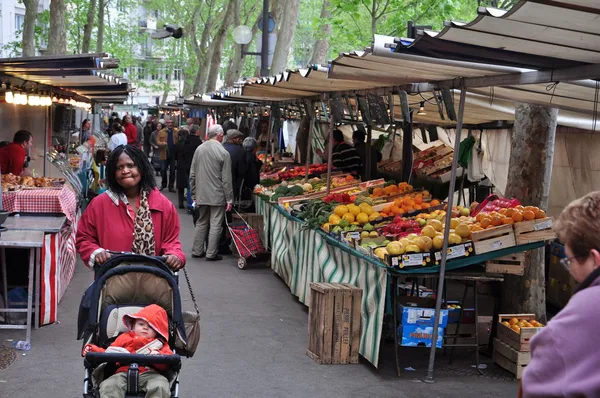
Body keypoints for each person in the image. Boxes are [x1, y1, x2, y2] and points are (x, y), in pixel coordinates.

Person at [520, 191, 600, 397]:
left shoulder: (589, 304)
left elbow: (538, 377)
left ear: (595, 259)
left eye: (570, 261)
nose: (570, 270)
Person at [76, 145, 185, 270]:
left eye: (131, 165)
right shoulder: (99, 204)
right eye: (119, 167)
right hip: (112, 282)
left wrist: (174, 255)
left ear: (142, 168)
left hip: (154, 282)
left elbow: (171, 241)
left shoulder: (163, 205)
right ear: (112, 173)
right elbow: (84, 238)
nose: (125, 171)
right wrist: (96, 252)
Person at [82, 304, 173, 398]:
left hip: (150, 373)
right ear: (133, 326)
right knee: (109, 386)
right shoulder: (124, 338)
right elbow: (108, 352)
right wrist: (92, 349)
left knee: (160, 385)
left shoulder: (159, 344)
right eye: (141, 324)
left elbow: (169, 360)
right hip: (122, 372)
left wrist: (159, 355)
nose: (145, 328)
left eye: (151, 326)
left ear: (157, 332)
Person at [190, 125, 233, 261]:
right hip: (217, 194)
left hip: (201, 193)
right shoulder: (223, 152)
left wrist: (194, 194)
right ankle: (211, 253)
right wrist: (229, 198)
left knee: (201, 221)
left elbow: (192, 174)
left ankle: (197, 250)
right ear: (220, 135)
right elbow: (226, 179)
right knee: (215, 224)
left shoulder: (199, 149)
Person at [179, 125, 202, 210]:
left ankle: (190, 205)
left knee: (189, 185)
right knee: (197, 185)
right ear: (196, 132)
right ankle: (195, 203)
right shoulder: (198, 142)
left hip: (187, 166)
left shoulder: (186, 141)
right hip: (196, 166)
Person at [222, 129, 246, 202]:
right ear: (237, 139)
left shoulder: (221, 147)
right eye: (240, 139)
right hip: (232, 181)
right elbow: (241, 171)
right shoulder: (240, 150)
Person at [240, 137, 262, 213]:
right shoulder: (251, 159)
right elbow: (253, 178)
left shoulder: (242, 156)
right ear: (255, 149)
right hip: (248, 193)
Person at [156, 119, 179, 192]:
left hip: (173, 154)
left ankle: (171, 186)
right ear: (166, 124)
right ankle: (163, 184)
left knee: (172, 171)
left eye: (172, 123)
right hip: (164, 154)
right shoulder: (161, 132)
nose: (170, 124)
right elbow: (157, 141)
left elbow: (179, 141)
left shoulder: (176, 132)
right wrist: (162, 143)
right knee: (163, 170)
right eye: (169, 123)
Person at [173, 128, 189, 209]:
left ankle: (180, 203)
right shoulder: (188, 144)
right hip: (188, 165)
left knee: (180, 186)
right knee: (189, 185)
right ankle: (190, 202)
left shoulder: (177, 144)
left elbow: (174, 156)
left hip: (180, 165)